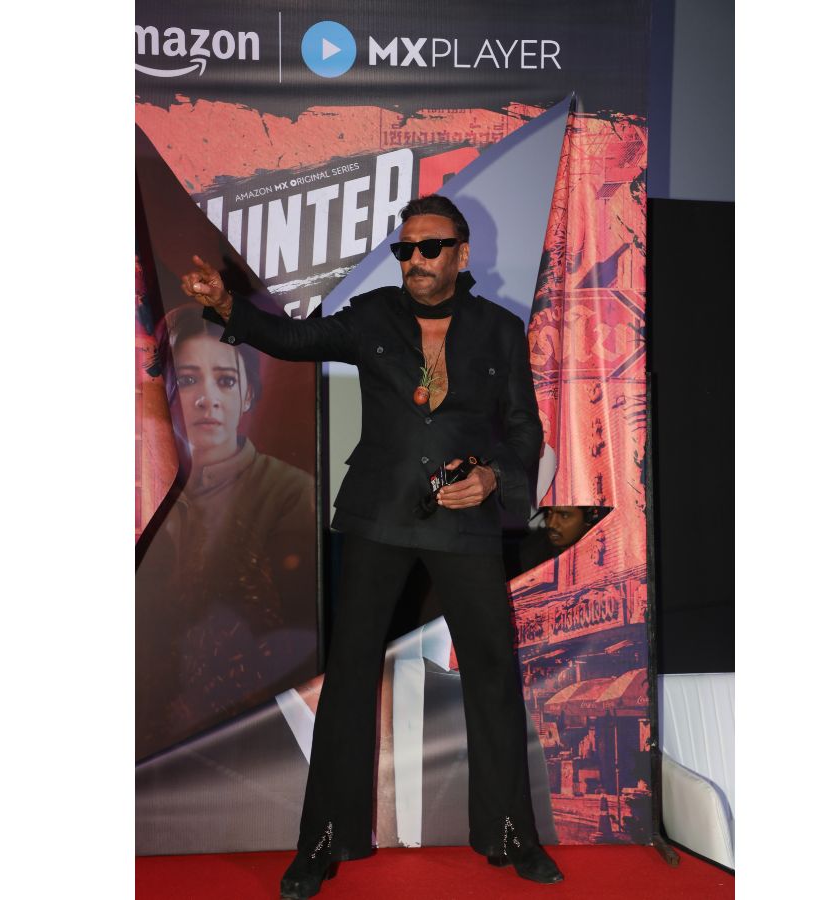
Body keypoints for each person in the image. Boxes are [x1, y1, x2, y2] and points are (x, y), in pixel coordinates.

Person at [183, 194, 564, 897]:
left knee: (490, 674)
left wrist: (491, 478)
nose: (414, 260)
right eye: (404, 249)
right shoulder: (371, 317)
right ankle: (322, 842)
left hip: (465, 523)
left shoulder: (499, 330)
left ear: (461, 253)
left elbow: (523, 430)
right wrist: (228, 306)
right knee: (350, 678)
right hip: (377, 518)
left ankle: (512, 833)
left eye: (429, 247)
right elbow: (292, 340)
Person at [135, 303, 317, 761]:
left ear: (248, 394)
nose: (207, 399)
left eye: (226, 381)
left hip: (251, 743)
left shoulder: (290, 494)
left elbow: (296, 643)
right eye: (189, 380)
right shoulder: (146, 490)